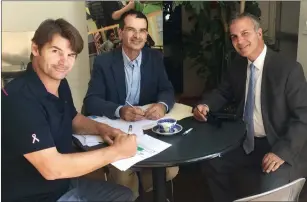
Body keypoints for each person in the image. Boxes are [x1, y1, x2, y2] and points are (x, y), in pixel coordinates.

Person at [2, 18, 137, 202]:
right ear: (35, 49)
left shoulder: (60, 83)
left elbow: (72, 118)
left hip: (64, 184)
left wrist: (102, 129)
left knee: (124, 195)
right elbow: (52, 168)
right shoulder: (18, 98)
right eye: (56, 51)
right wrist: (118, 152)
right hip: (36, 195)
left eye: (71, 54)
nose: (63, 62)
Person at [193, 13, 307, 202]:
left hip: (279, 142)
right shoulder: (237, 66)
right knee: (212, 163)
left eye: (245, 33)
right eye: (234, 37)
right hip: (247, 142)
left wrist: (281, 152)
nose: (240, 41)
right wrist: (206, 105)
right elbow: (222, 92)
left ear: (259, 33)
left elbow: (303, 116)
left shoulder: (288, 70)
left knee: (270, 190)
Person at [83, 10, 178, 199]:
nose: (137, 36)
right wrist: (119, 110)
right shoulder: (104, 62)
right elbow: (91, 101)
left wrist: (161, 105)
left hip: (148, 131)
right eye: (131, 30)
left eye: (142, 31)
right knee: (124, 179)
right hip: (118, 133)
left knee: (171, 169)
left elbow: (167, 90)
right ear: (120, 33)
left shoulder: (155, 58)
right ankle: (132, 193)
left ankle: (146, 191)